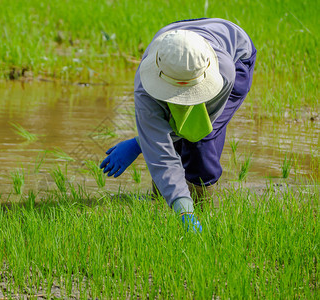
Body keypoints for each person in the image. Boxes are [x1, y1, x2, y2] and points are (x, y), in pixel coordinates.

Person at [100, 18, 257, 232]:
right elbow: (160, 147)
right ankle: (166, 200)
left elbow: (195, 127)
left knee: (200, 140)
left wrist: (142, 143)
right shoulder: (146, 83)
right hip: (177, 39)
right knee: (165, 141)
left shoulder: (225, 74)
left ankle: (203, 208)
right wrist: (151, 141)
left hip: (237, 53)